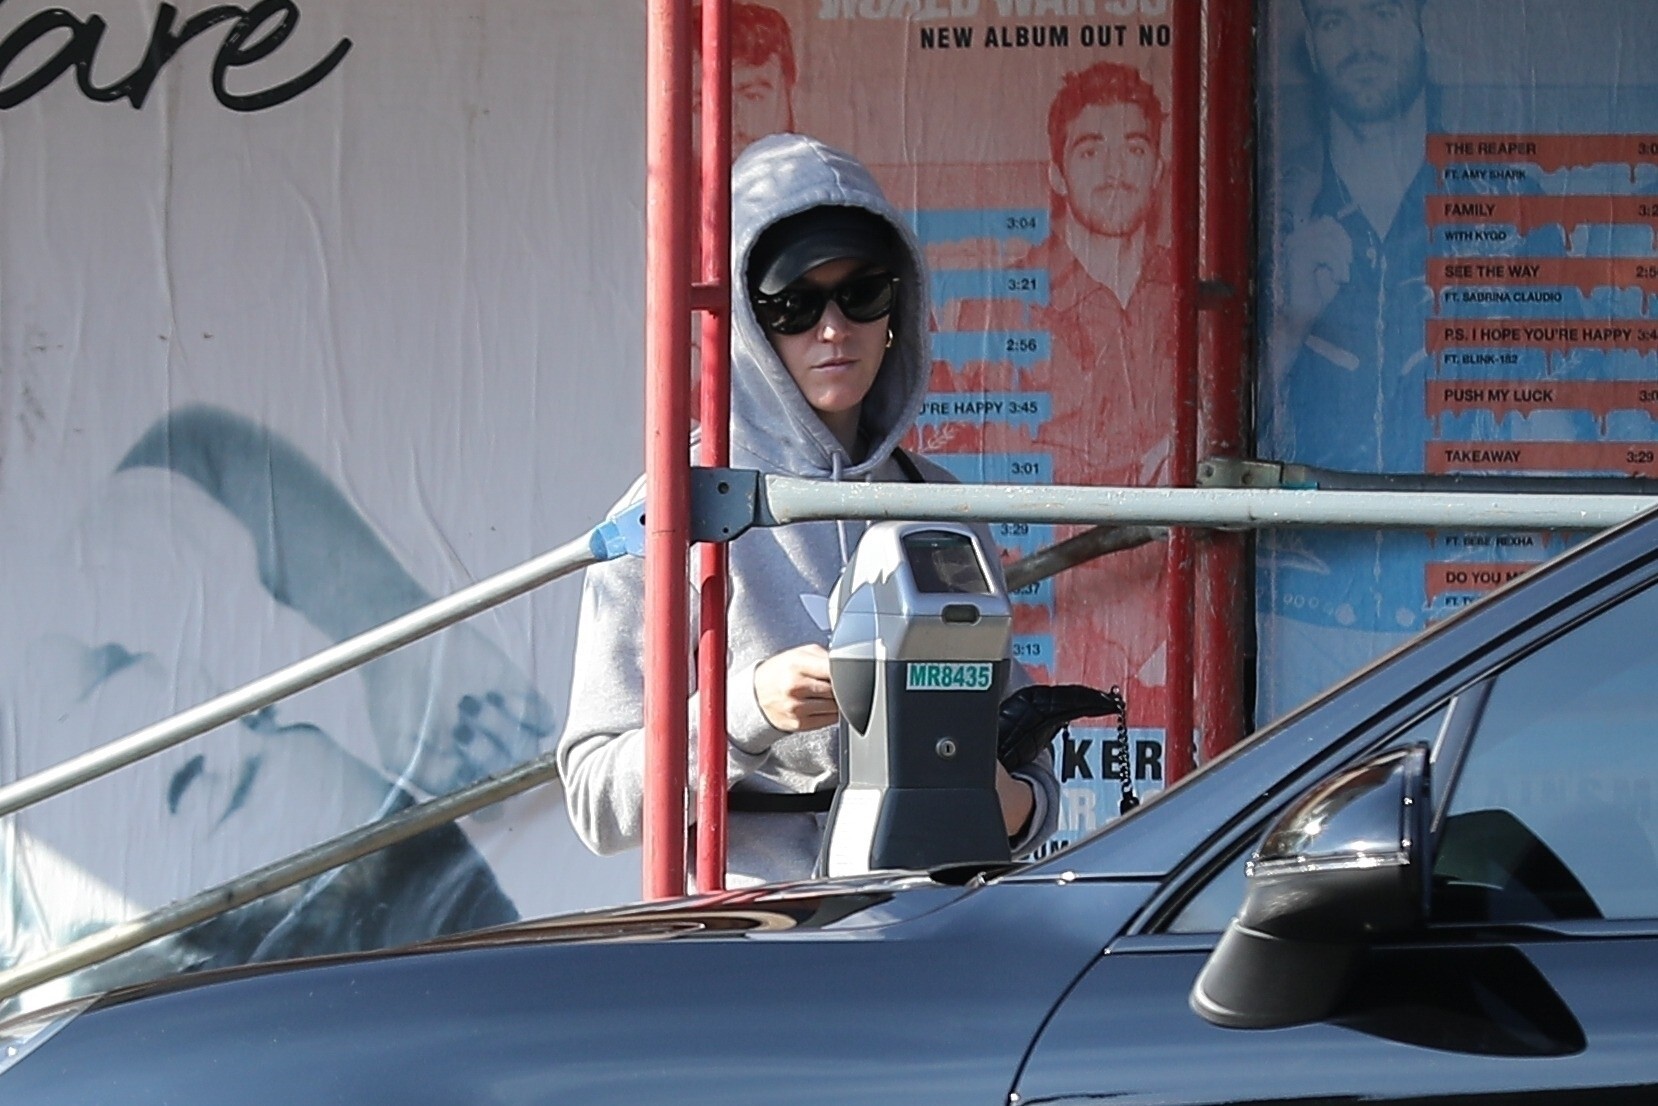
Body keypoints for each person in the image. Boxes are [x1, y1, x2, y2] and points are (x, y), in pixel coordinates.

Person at [558, 133, 1060, 887]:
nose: (833, 329)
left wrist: (1006, 801)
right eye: (792, 304)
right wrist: (747, 710)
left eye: (863, 293)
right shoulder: (674, 509)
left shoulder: (938, 502)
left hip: (931, 924)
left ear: (900, 306)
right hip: (761, 937)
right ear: (746, 322)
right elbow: (596, 801)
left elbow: (1026, 765)